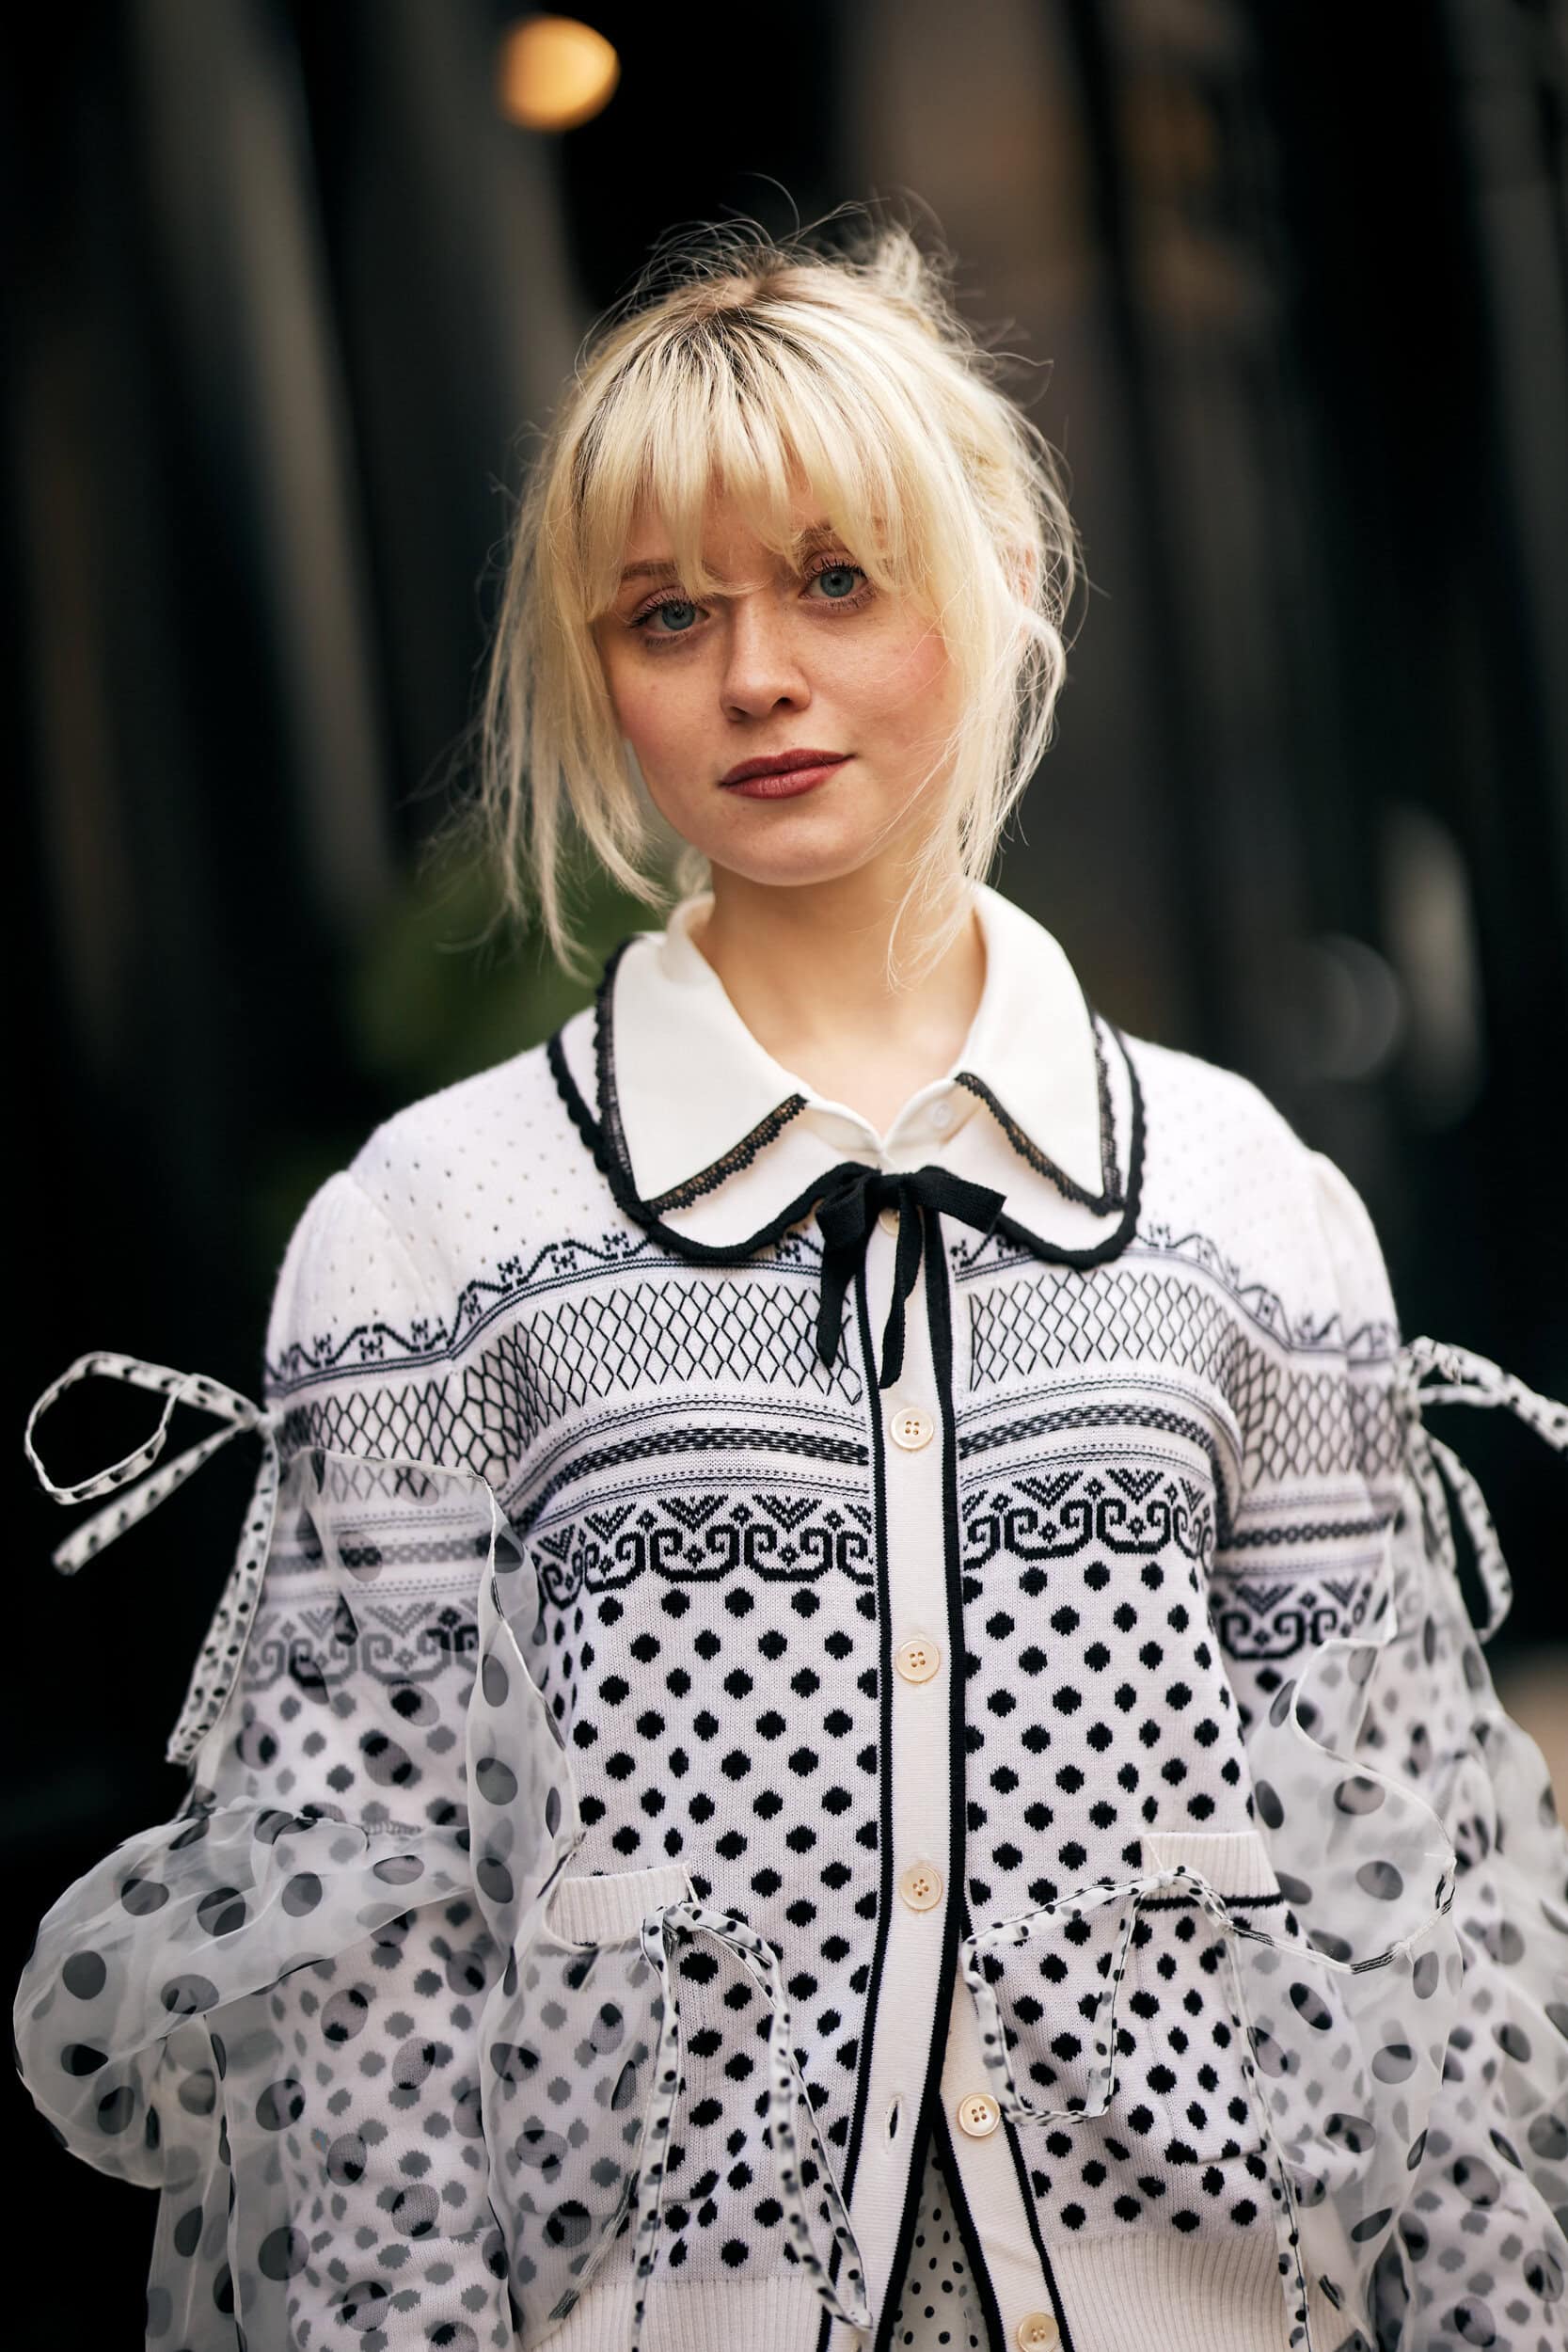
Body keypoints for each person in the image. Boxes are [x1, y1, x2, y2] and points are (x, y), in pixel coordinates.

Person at [16, 214, 1568, 2352]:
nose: (755, 673)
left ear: (990, 578)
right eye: (669, 613)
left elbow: (1418, 1924)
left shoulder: (1245, 1205)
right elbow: (367, 1997)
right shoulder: (433, 1232)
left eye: (837, 580)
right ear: (597, 670)